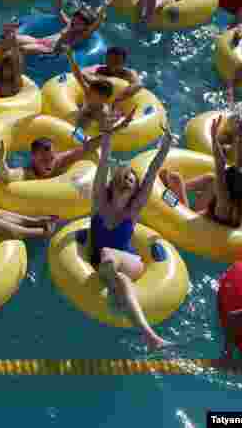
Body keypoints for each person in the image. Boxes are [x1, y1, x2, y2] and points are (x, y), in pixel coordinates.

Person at [87, 115, 174, 349]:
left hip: (129, 260)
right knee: (120, 279)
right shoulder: (99, 203)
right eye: (126, 176)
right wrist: (108, 133)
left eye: (133, 180)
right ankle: (151, 337)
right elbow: (104, 160)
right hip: (107, 264)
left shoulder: (133, 210)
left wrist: (164, 148)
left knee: (108, 254)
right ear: (116, 181)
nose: (130, 181)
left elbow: (152, 173)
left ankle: (109, 272)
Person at [159, 114, 242, 229]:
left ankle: (165, 192)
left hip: (189, 222)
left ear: (229, 187)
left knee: (174, 178)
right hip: (204, 218)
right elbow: (239, 163)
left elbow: (220, 164)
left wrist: (214, 137)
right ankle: (176, 191)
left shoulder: (224, 202)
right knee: (211, 179)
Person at [15, 0, 112, 57]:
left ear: (85, 27)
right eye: (74, 19)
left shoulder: (81, 35)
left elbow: (95, 25)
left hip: (50, 49)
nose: (75, 23)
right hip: (40, 41)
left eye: (79, 23)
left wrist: (103, 8)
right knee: (14, 38)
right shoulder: (70, 25)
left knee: (23, 49)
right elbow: (59, 11)